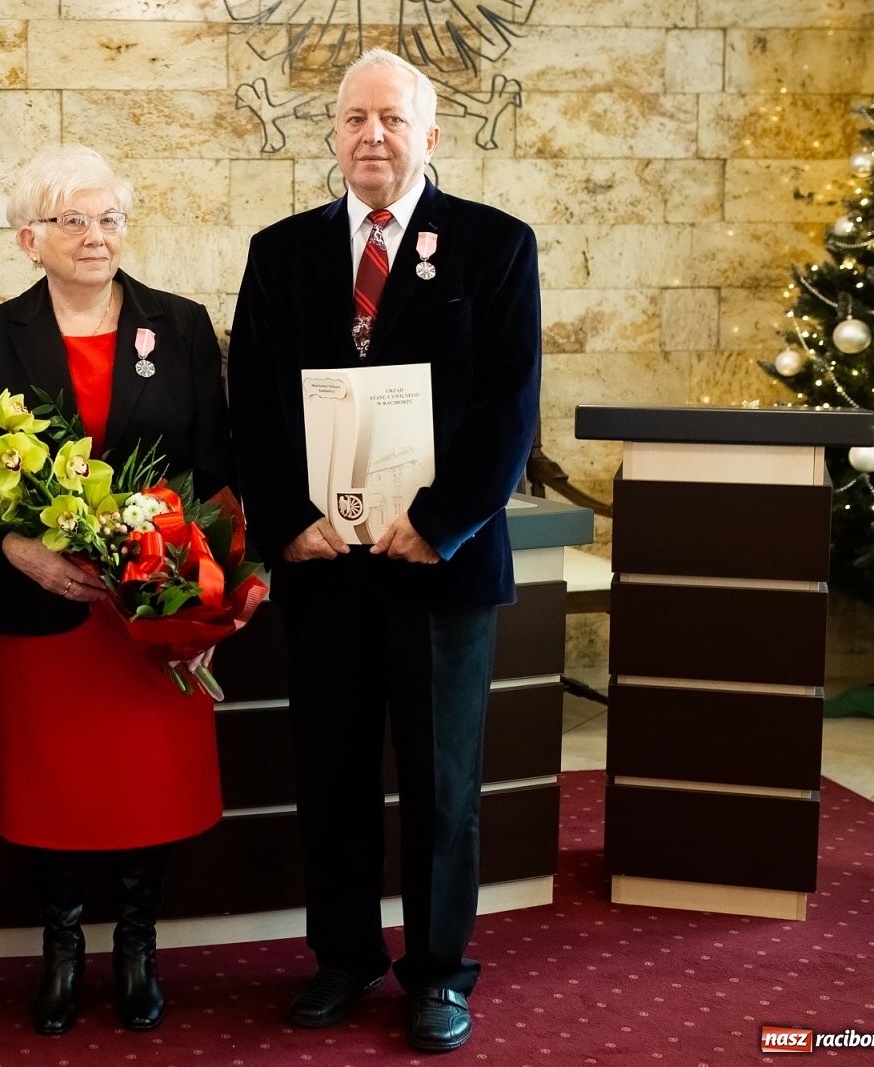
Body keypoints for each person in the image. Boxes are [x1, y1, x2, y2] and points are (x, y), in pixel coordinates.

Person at [225, 49, 541, 1055]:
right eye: (355, 118)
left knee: (442, 786)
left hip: (439, 567)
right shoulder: (281, 252)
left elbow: (508, 406)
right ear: (332, 134)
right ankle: (344, 954)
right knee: (331, 772)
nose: (372, 135)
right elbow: (252, 404)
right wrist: (286, 518)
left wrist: (440, 520)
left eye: (392, 119)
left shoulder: (495, 246)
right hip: (323, 565)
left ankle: (439, 969)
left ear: (429, 135)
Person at [0, 145, 236, 1037]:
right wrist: (19, 548)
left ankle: (138, 946)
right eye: (72, 220)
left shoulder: (179, 324)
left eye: (109, 218)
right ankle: (64, 947)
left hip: (154, 610)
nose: (95, 236)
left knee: (145, 785)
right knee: (56, 786)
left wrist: (206, 590)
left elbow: (215, 470)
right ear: (29, 238)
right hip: (47, 608)